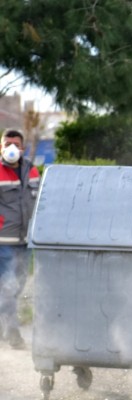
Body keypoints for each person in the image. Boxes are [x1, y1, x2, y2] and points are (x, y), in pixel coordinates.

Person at [0, 129, 40, 350]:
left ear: (23, 148)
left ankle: (4, 323)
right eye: (7, 144)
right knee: (8, 286)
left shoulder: (32, 170)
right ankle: (12, 332)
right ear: (1, 147)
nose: (11, 148)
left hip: (26, 241)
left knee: (16, 286)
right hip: (3, 241)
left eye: (15, 144)